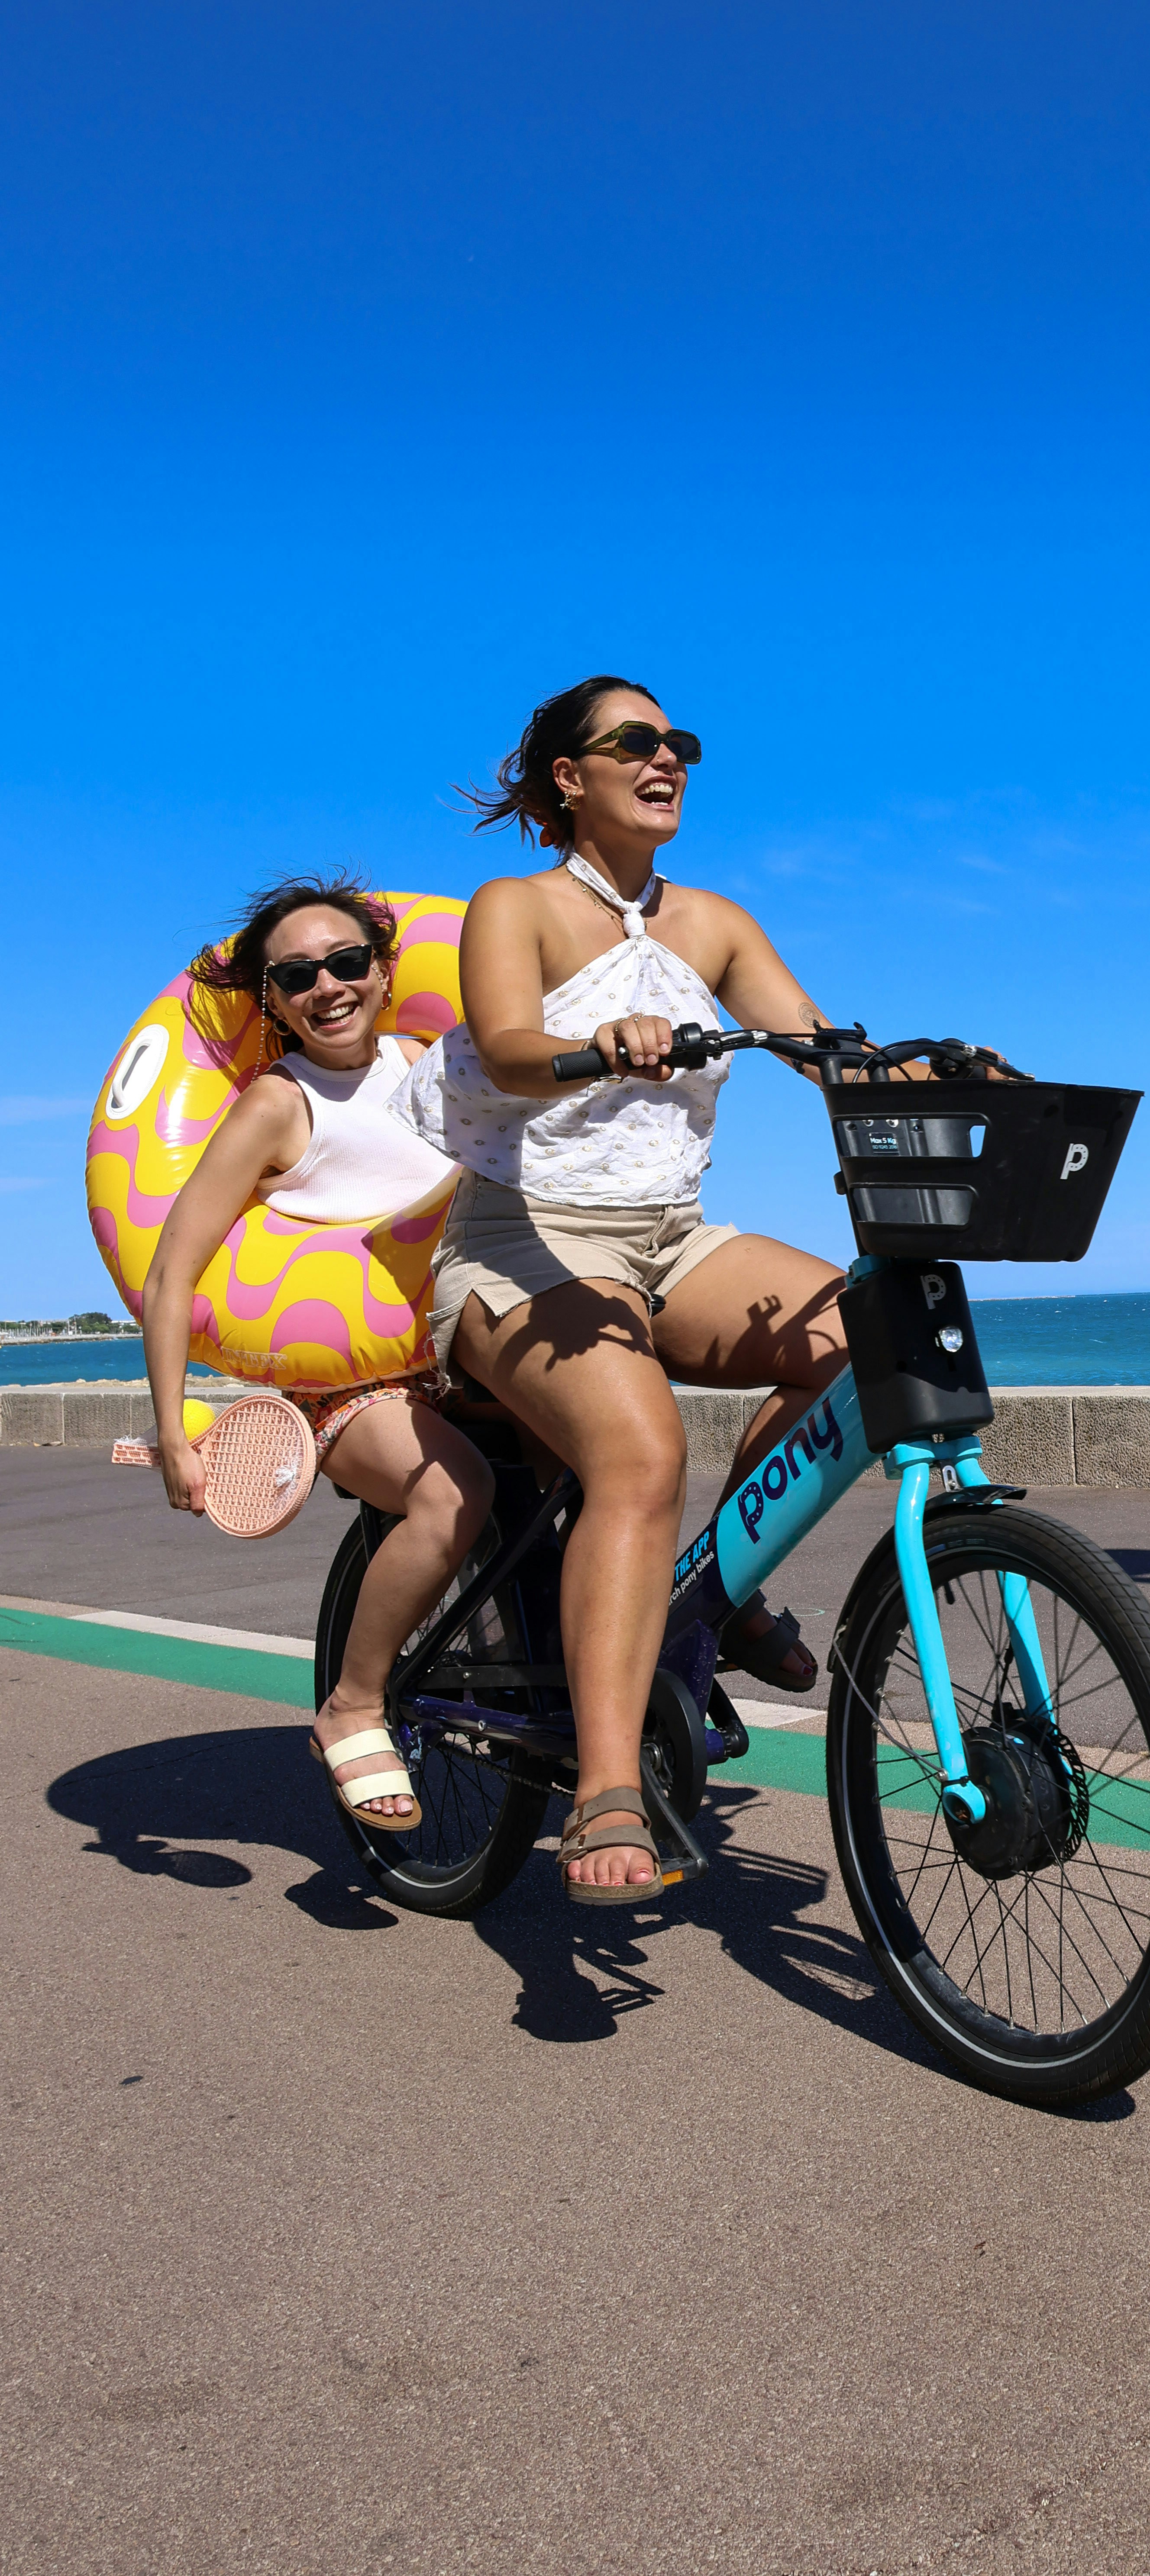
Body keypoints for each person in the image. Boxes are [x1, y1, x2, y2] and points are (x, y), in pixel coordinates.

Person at [391, 675, 893, 1905]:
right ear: (570, 777)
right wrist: (595, 1044)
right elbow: (506, 1043)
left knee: (861, 1336)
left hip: (668, 1238)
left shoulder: (714, 923)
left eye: (679, 744)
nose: (666, 759)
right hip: (521, 1242)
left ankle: (712, 1599)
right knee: (640, 1454)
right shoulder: (518, 907)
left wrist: (897, 1066)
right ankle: (608, 1785)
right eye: (635, 743)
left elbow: (818, 1043)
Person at [140, 880, 493, 1828]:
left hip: (479, 1348)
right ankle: (354, 1702)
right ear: (274, 1001)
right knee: (452, 1493)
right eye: (297, 976)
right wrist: (173, 1430)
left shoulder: (434, 1062)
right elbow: (172, 1273)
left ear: (386, 972)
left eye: (346, 963)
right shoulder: (276, 1103)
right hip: (353, 1384)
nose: (327, 986)